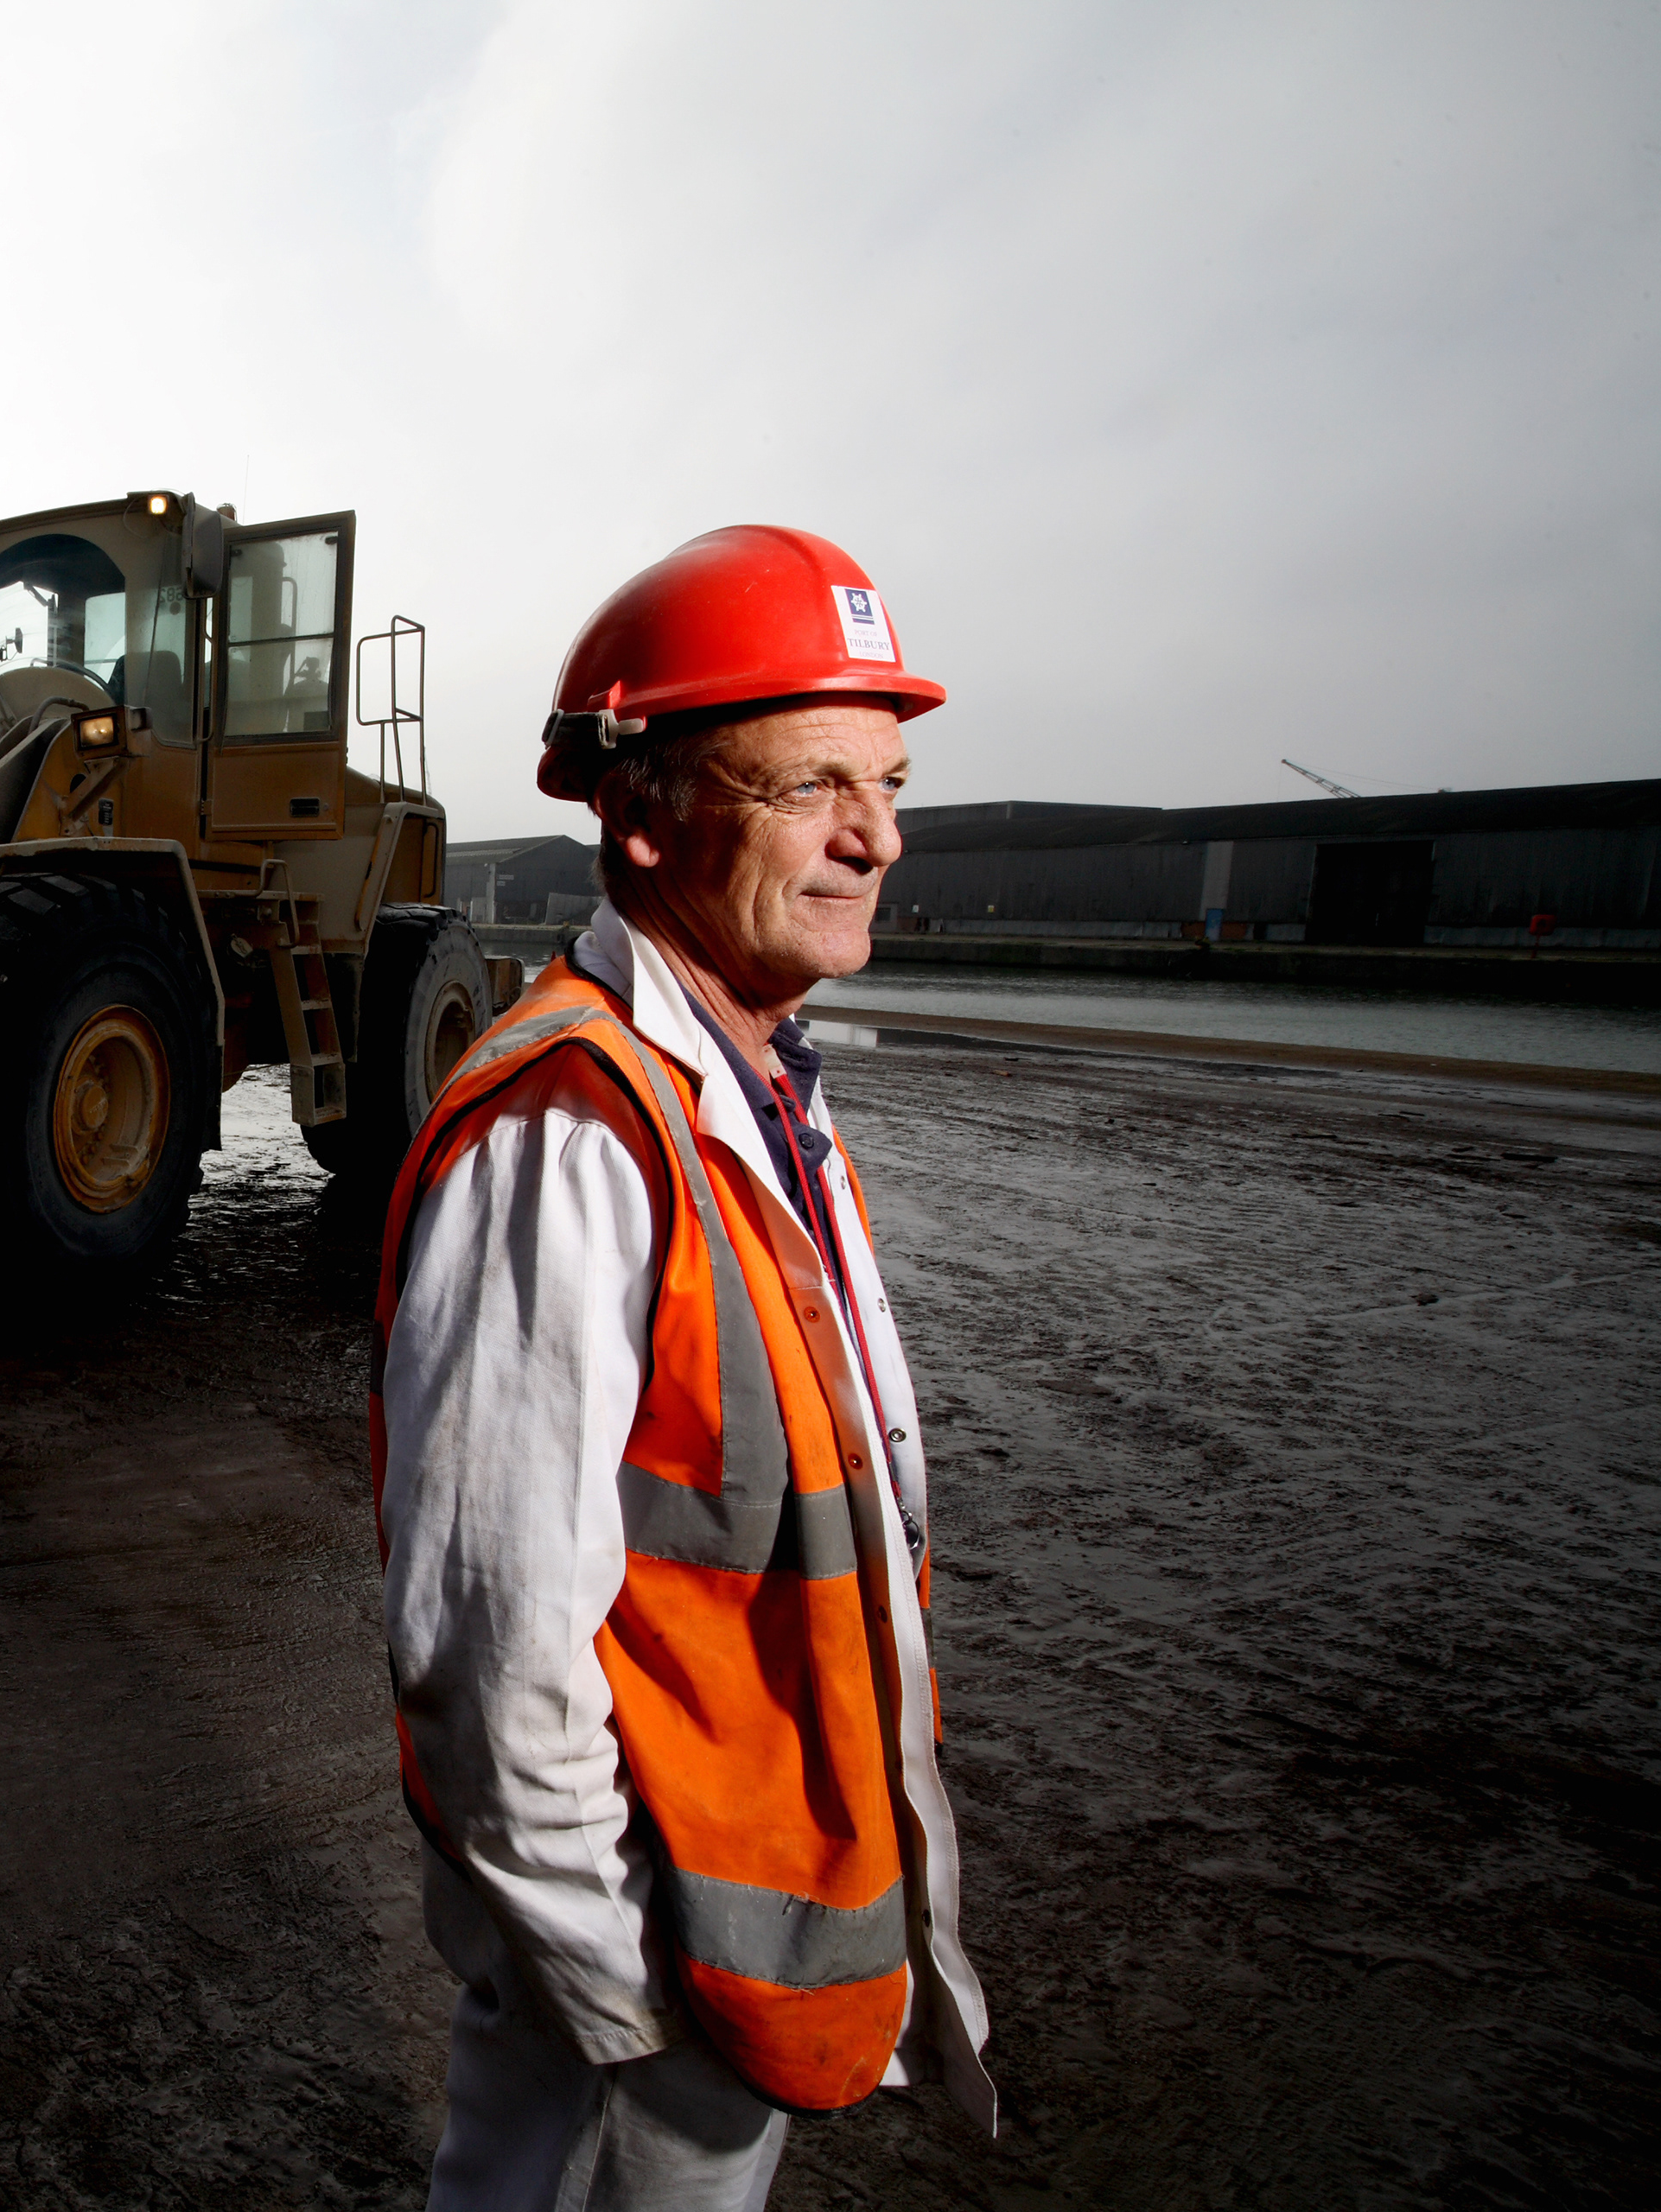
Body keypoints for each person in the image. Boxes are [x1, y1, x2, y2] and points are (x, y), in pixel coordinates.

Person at [372, 525, 995, 2209]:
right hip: (649, 1970)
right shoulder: (574, 1133)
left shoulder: (767, 1096)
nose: (875, 835)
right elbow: (490, 1639)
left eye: (888, 778)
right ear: (645, 812)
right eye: (811, 785)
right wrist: (622, 1994)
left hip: (724, 1931)